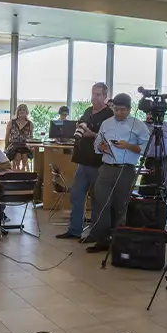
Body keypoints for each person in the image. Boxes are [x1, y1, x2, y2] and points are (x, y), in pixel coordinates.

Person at [86, 93, 150, 253]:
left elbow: (146, 148)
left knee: (120, 206)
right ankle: (102, 240)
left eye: (122, 110)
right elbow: (96, 143)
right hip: (107, 167)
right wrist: (101, 147)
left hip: (126, 169)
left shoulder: (139, 125)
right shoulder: (106, 123)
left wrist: (128, 146)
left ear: (129, 109)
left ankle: (118, 240)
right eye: (116, 109)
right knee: (102, 204)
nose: (119, 113)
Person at [56, 82, 113, 241]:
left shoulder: (109, 115)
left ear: (105, 96)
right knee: (77, 195)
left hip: (98, 162)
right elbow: (81, 124)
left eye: (98, 95)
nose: (94, 97)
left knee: (96, 199)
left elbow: (109, 140)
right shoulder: (88, 110)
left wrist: (92, 134)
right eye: (93, 94)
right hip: (82, 160)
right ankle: (74, 230)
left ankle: (95, 233)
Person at [142, 111, 167, 193]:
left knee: (165, 184)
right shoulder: (142, 126)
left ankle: (163, 201)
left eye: (151, 114)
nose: (148, 116)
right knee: (150, 184)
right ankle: (149, 202)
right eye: (147, 114)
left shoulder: (166, 125)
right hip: (151, 158)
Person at [5, 104, 34, 171]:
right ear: (17, 111)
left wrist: (32, 147)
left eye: (23, 110)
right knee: (17, 156)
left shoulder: (30, 124)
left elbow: (31, 137)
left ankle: (23, 170)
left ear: (26, 112)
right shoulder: (11, 122)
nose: (21, 111)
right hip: (14, 145)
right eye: (20, 110)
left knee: (24, 156)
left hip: (25, 145)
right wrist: (6, 147)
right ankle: (17, 170)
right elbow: (7, 136)